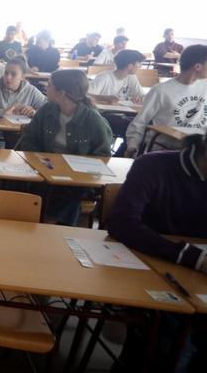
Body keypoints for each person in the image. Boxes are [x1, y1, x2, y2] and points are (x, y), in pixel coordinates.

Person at [107, 132, 207, 372]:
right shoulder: (154, 166)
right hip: (146, 267)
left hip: (195, 279)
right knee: (168, 335)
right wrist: (195, 258)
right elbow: (122, 222)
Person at [15, 69, 113, 225]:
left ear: (61, 92)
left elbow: (103, 157)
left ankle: (52, 226)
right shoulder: (47, 110)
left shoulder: (93, 120)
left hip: (77, 178)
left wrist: (71, 168)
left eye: (49, 85)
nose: (46, 88)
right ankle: (30, 222)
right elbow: (29, 139)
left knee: (66, 191)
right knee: (24, 185)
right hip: (44, 169)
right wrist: (41, 160)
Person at [125, 44, 207, 156]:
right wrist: (132, 147)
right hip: (165, 149)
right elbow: (140, 122)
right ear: (198, 67)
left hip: (196, 150)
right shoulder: (161, 90)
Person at [0, 57, 47, 148]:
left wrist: (35, 112)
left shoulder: (31, 91)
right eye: (6, 73)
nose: (8, 77)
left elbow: (48, 109)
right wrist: (2, 111)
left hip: (21, 135)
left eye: (13, 74)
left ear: (23, 76)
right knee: (0, 150)